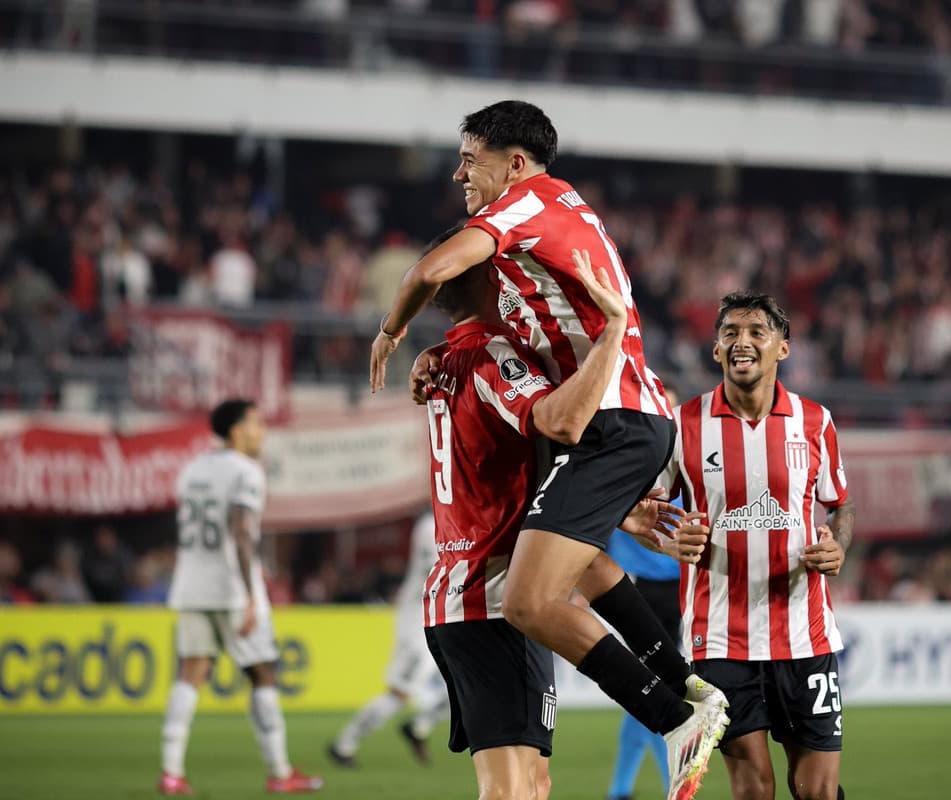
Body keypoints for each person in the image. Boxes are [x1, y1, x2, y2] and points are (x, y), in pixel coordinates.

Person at [370, 100, 728, 800]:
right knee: (574, 564)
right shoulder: (537, 256)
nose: (459, 175)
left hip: (607, 422)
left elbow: (431, 270)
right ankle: (685, 686)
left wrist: (391, 333)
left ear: (514, 163)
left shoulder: (523, 210)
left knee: (531, 601)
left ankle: (676, 715)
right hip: (626, 419)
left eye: (468, 161)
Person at [416, 225, 708, 800]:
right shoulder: (495, 358)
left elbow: (536, 467)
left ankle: (685, 692)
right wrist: (613, 334)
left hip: (463, 593)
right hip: (493, 597)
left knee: (534, 782)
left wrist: (616, 507)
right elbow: (561, 422)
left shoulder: (446, 362)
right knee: (510, 790)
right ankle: (678, 710)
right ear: (492, 278)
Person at [656, 292, 856, 800]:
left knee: (816, 790)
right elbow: (640, 509)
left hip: (805, 636)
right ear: (716, 349)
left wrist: (839, 545)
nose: (741, 342)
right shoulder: (682, 425)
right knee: (753, 790)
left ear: (782, 348)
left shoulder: (815, 422)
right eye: (730, 333)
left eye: (755, 332)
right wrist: (668, 537)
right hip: (719, 640)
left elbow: (840, 505)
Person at [158, 399, 323, 796]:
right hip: (232, 589)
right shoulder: (246, 472)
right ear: (235, 430)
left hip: (190, 585)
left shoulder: (192, 469)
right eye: (255, 423)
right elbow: (242, 532)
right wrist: (251, 594)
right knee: (263, 672)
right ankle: (279, 772)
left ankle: (171, 772)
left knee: (190, 673)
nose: (261, 430)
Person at [328, 511, 449, 767]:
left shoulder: (456, 519)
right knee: (399, 694)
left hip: (442, 619)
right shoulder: (430, 524)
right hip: (418, 624)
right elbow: (438, 568)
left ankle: (418, 725)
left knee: (469, 684)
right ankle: (343, 745)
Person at [602, 519, 683, 800]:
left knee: (650, 688)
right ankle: (670, 786)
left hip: (666, 584)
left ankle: (622, 789)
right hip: (640, 583)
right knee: (653, 688)